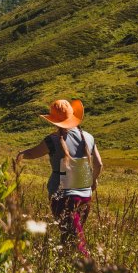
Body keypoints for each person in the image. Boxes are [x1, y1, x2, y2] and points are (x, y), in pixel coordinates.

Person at [14, 99, 102, 248]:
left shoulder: (52, 140)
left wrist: (20, 155)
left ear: (54, 121)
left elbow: (33, 153)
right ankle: (74, 263)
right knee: (72, 236)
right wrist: (92, 181)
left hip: (62, 196)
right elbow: (99, 164)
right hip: (86, 195)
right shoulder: (88, 137)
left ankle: (85, 265)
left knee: (71, 239)